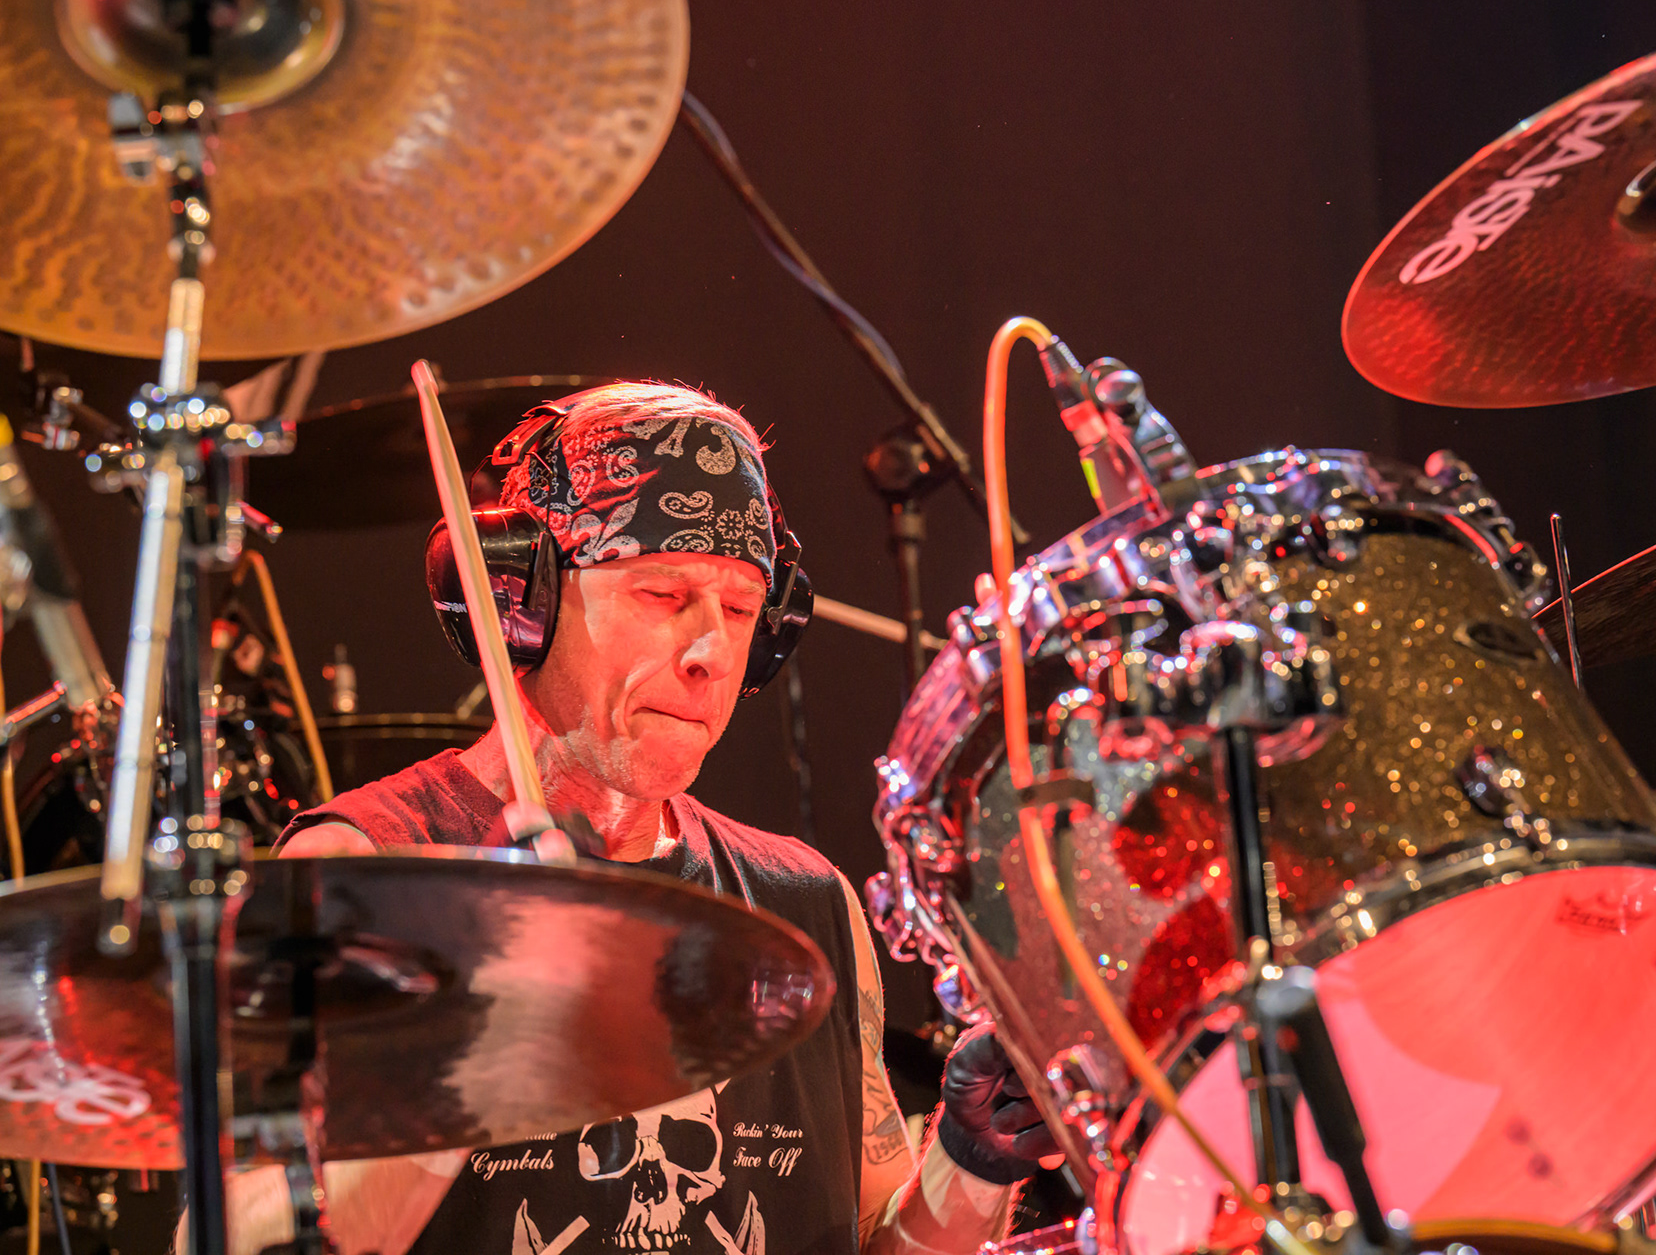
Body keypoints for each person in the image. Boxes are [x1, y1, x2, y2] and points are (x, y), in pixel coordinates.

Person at [214, 382, 1057, 1255]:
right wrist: (477, 1041)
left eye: (742, 611)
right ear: (522, 604)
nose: (712, 654)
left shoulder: (805, 904)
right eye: (662, 594)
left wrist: (971, 1165)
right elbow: (241, 1241)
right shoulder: (354, 874)